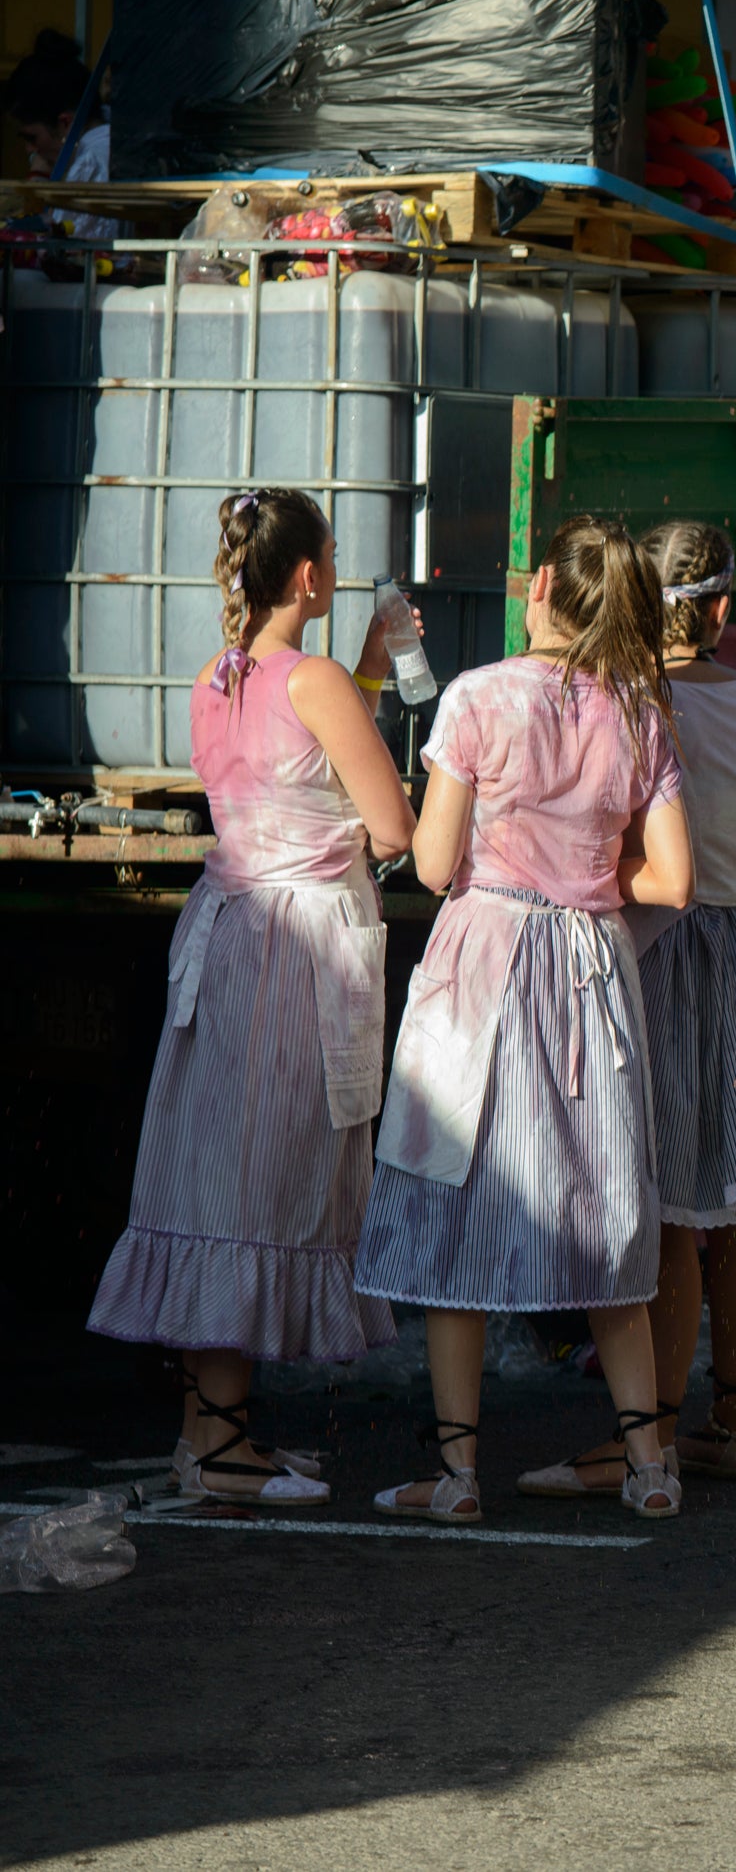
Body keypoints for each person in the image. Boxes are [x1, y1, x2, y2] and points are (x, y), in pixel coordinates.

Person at [354, 516, 695, 1524]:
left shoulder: (474, 696)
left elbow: (428, 860)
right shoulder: (639, 711)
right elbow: (675, 878)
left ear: (541, 582)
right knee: (602, 1212)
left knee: (454, 1208)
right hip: (590, 967)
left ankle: (457, 1475)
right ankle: (651, 1465)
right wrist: (589, 869)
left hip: (487, 956)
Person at [85, 489, 417, 1504]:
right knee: (262, 1182)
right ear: (309, 574)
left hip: (227, 938)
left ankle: (205, 1432)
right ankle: (227, 1446)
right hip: (295, 953)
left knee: (211, 1174)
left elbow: (296, 768)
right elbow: (393, 823)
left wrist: (362, 666)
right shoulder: (317, 678)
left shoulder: (217, 675)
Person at [526, 523, 736, 1496]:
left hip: (664, 957)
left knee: (662, 1210)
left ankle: (640, 1435)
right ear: (727, 608)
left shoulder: (630, 708)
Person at [8, 28, 119, 243]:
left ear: (66, 123)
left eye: (32, 138)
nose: (30, 150)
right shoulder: (105, 144)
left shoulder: (92, 162)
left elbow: (65, 254)